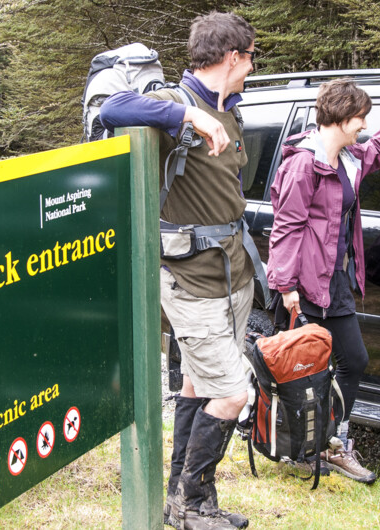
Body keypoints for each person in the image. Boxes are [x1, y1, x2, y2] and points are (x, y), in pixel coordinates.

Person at [100, 11, 256, 530]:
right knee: (234, 392)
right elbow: (113, 108)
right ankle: (193, 503)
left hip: (232, 273)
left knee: (197, 385)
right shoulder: (177, 102)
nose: (252, 67)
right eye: (250, 57)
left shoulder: (230, 109)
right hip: (191, 281)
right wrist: (189, 119)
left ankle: (179, 503)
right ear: (233, 56)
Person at [267, 78, 380, 483]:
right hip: (303, 284)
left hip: (335, 282)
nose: (364, 124)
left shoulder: (349, 158)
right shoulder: (303, 165)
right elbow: (286, 228)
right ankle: (300, 447)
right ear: (343, 118)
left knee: (353, 361)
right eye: (361, 117)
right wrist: (286, 286)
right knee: (303, 371)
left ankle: (331, 443)